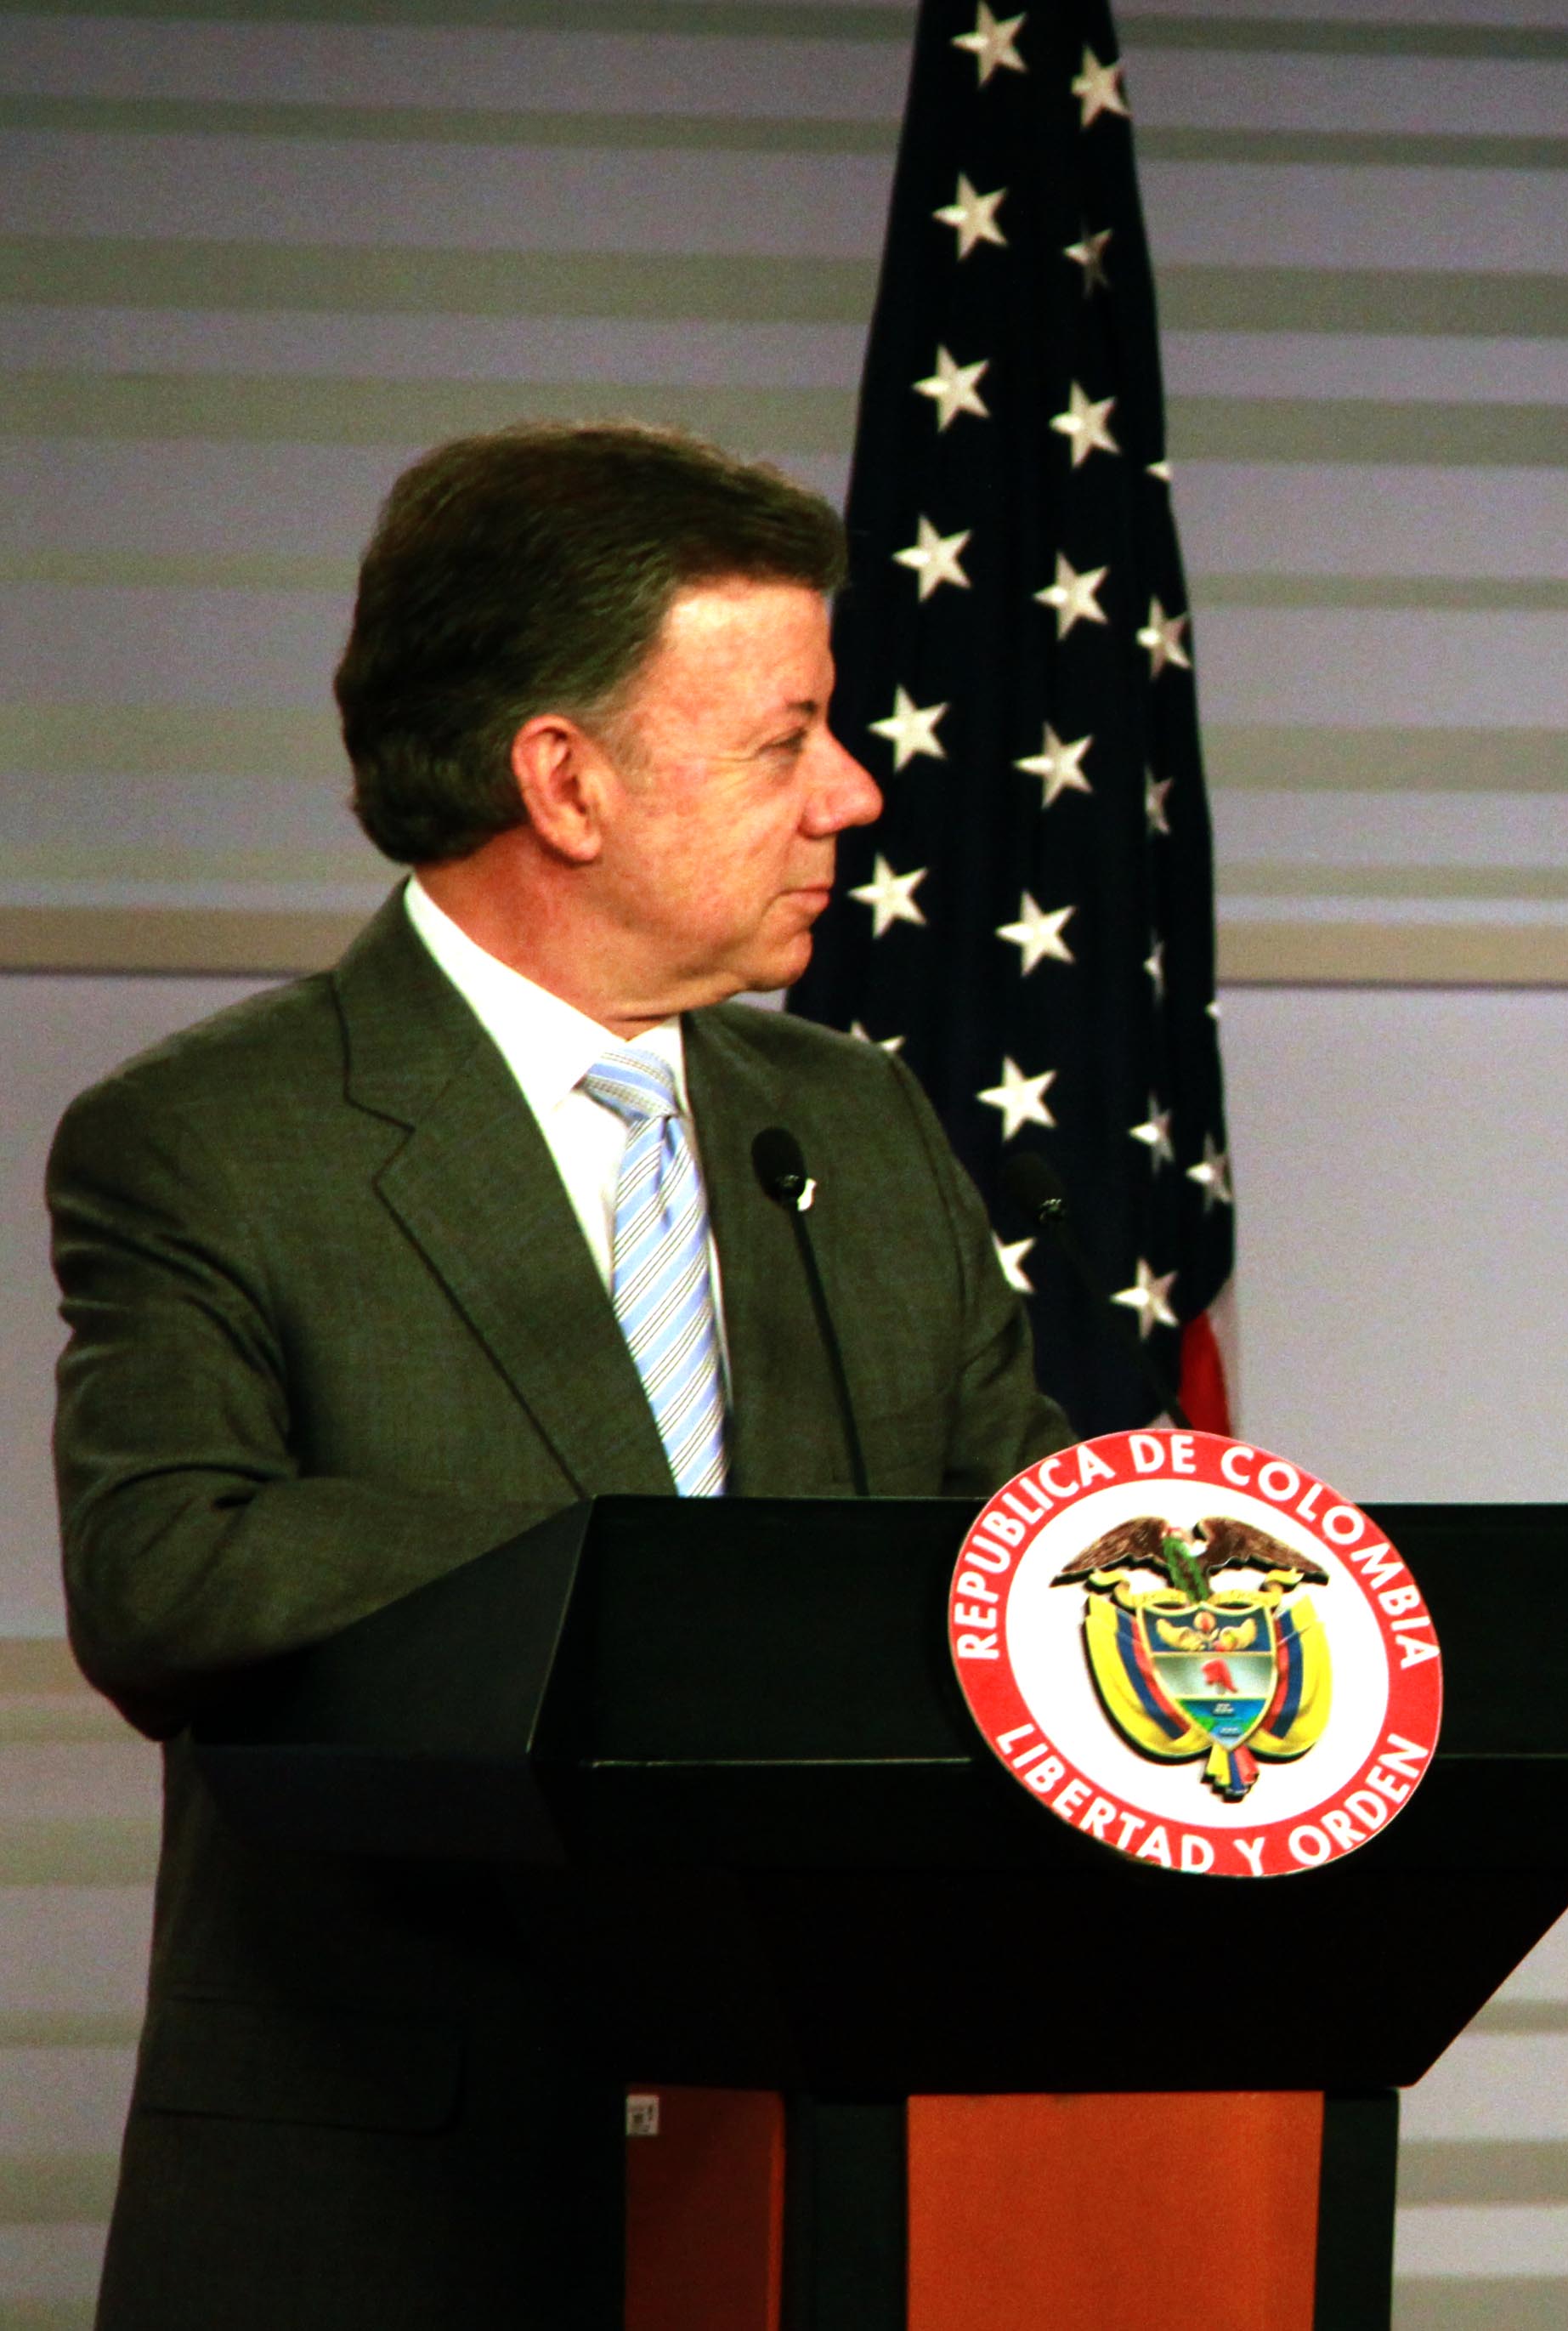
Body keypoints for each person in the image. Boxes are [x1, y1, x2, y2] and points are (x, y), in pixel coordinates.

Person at [51, 423, 1075, 2328]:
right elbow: (172, 1577)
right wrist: (671, 1585)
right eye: (784, 741)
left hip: (824, 2194)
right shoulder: (216, 1142)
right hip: (396, 2217)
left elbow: (1023, 1548)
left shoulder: (854, 1125)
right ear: (566, 781)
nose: (849, 793)